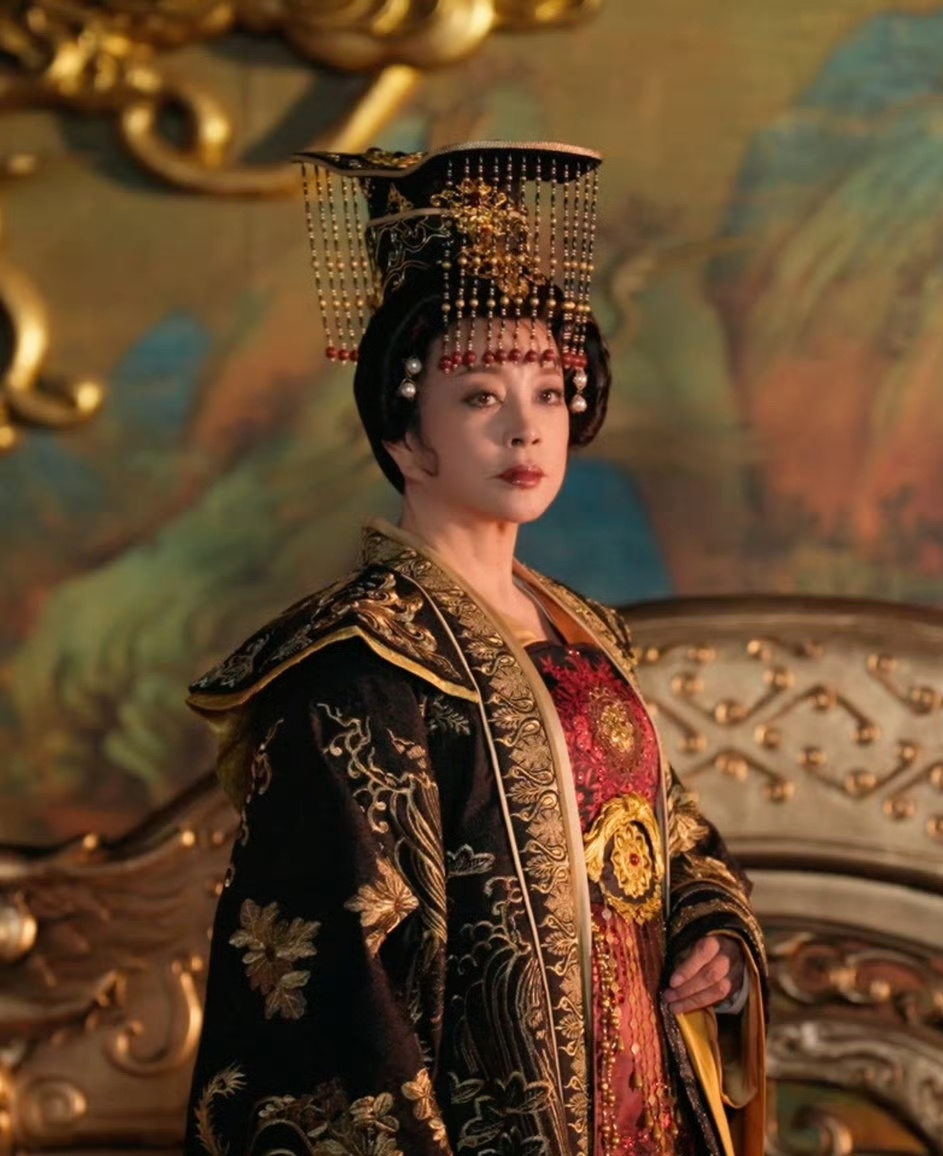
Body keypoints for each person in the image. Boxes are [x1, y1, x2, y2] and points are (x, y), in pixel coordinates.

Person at [183, 142, 767, 1156]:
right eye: (479, 397)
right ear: (405, 436)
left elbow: (666, 839)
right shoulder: (361, 664)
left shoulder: (584, 633)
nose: (524, 430)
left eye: (547, 390)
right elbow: (335, 988)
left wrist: (711, 934)